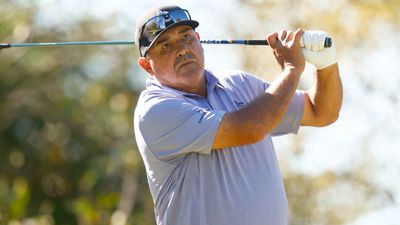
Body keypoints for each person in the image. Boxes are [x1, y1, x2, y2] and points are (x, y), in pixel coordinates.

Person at [133, 4, 342, 225]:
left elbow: (321, 112)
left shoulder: (239, 84)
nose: (182, 49)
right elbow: (250, 128)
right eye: (166, 46)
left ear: (199, 40)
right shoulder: (155, 110)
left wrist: (325, 63)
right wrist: (291, 69)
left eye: (186, 37)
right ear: (147, 65)